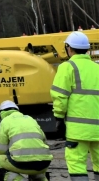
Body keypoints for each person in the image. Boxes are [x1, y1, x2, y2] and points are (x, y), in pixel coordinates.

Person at [50, 31, 99, 181]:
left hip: (77, 130)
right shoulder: (97, 68)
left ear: (69, 48)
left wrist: (58, 118)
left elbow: (60, 96)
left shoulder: (67, 67)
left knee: (77, 164)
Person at [0, 100, 51, 181]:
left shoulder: (5, 121)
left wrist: (8, 154)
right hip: (44, 163)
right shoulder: (30, 119)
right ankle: (41, 178)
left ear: (1, 112)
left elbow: (1, 149)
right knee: (36, 169)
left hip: (21, 164)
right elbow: (44, 141)